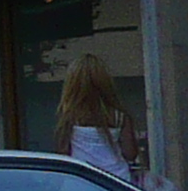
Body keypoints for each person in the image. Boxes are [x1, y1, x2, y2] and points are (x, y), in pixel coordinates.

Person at [54, 53, 144, 184]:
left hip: (80, 182)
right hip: (117, 182)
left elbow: (62, 151)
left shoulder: (70, 116)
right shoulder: (119, 116)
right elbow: (130, 153)